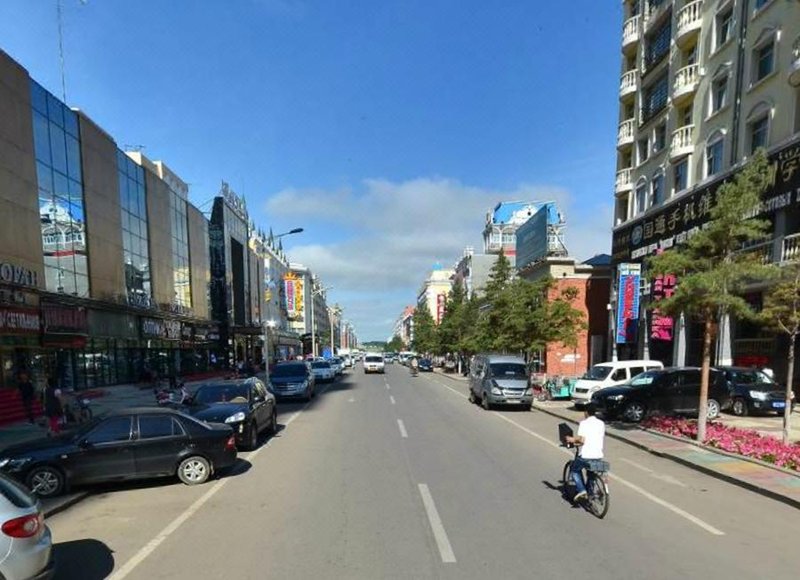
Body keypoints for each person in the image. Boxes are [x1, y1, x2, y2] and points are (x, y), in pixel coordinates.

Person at [565, 403, 605, 502]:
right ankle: (590, 493)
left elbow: (582, 440)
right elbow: (592, 438)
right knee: (591, 474)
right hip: (598, 455)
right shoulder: (601, 423)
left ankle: (582, 490)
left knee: (574, 469)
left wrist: (572, 439)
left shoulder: (584, 423)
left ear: (586, 412)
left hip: (586, 456)